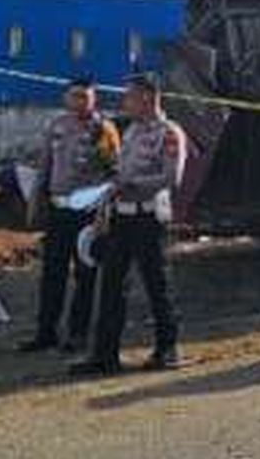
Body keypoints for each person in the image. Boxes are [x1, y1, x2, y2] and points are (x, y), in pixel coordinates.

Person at [70, 73, 187, 377]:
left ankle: (168, 348)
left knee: (157, 285)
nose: (125, 102)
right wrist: (105, 208)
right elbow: (118, 174)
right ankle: (104, 355)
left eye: (130, 96)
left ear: (147, 97)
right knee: (111, 287)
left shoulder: (169, 133)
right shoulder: (131, 131)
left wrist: (131, 184)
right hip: (121, 216)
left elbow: (170, 178)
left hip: (149, 217)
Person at [19, 78, 121, 354]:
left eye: (85, 97)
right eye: (75, 97)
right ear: (66, 99)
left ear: (94, 100)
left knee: (85, 273)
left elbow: (114, 175)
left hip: (86, 212)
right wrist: (35, 201)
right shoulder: (57, 126)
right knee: (53, 272)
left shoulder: (103, 130)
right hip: (57, 209)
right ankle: (45, 332)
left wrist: (104, 212)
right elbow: (45, 167)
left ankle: (77, 334)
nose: (80, 102)